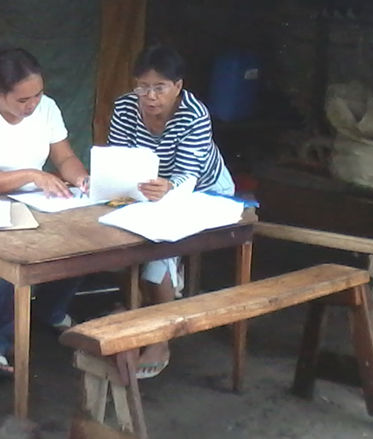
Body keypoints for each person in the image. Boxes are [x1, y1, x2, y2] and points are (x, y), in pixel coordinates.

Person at [0, 47, 89, 376]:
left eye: (37, 96)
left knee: (80, 236)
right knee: (20, 252)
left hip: (33, 197)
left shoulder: (48, 109)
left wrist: (81, 178)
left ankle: (51, 311)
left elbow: (64, 158)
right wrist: (31, 174)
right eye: (23, 100)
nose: (32, 106)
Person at [107, 44, 236, 379]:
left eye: (159, 88)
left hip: (206, 190)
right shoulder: (124, 107)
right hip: (147, 191)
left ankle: (161, 335)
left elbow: (188, 174)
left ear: (177, 86)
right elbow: (119, 158)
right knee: (117, 232)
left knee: (157, 243)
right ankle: (137, 313)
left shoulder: (195, 114)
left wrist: (168, 189)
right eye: (143, 87)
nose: (149, 96)